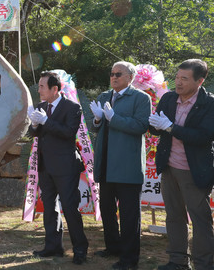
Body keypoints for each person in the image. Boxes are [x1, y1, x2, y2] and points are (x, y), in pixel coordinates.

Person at [148, 59, 214, 270]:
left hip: (194, 170)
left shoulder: (209, 103)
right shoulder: (168, 98)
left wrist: (171, 128)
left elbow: (205, 136)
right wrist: (155, 125)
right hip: (169, 167)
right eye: (177, 77)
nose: (178, 82)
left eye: (184, 79)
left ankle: (204, 264)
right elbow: (158, 129)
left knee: (200, 219)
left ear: (200, 80)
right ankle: (177, 262)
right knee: (174, 216)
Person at [89, 61, 151, 270]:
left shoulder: (141, 98)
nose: (113, 77)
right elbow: (96, 127)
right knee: (106, 210)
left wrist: (114, 118)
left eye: (118, 74)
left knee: (129, 215)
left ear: (130, 77)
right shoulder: (105, 96)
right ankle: (112, 247)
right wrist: (97, 120)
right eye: (111, 73)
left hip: (127, 166)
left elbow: (142, 126)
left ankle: (129, 258)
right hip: (106, 163)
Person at [28, 71, 88, 265]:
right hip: (45, 165)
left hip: (65, 166)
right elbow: (34, 133)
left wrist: (46, 121)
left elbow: (69, 133)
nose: (39, 90)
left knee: (70, 208)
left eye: (42, 86)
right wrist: (35, 124)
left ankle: (80, 249)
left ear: (55, 89)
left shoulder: (72, 107)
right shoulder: (41, 106)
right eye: (39, 86)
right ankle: (53, 246)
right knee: (49, 208)